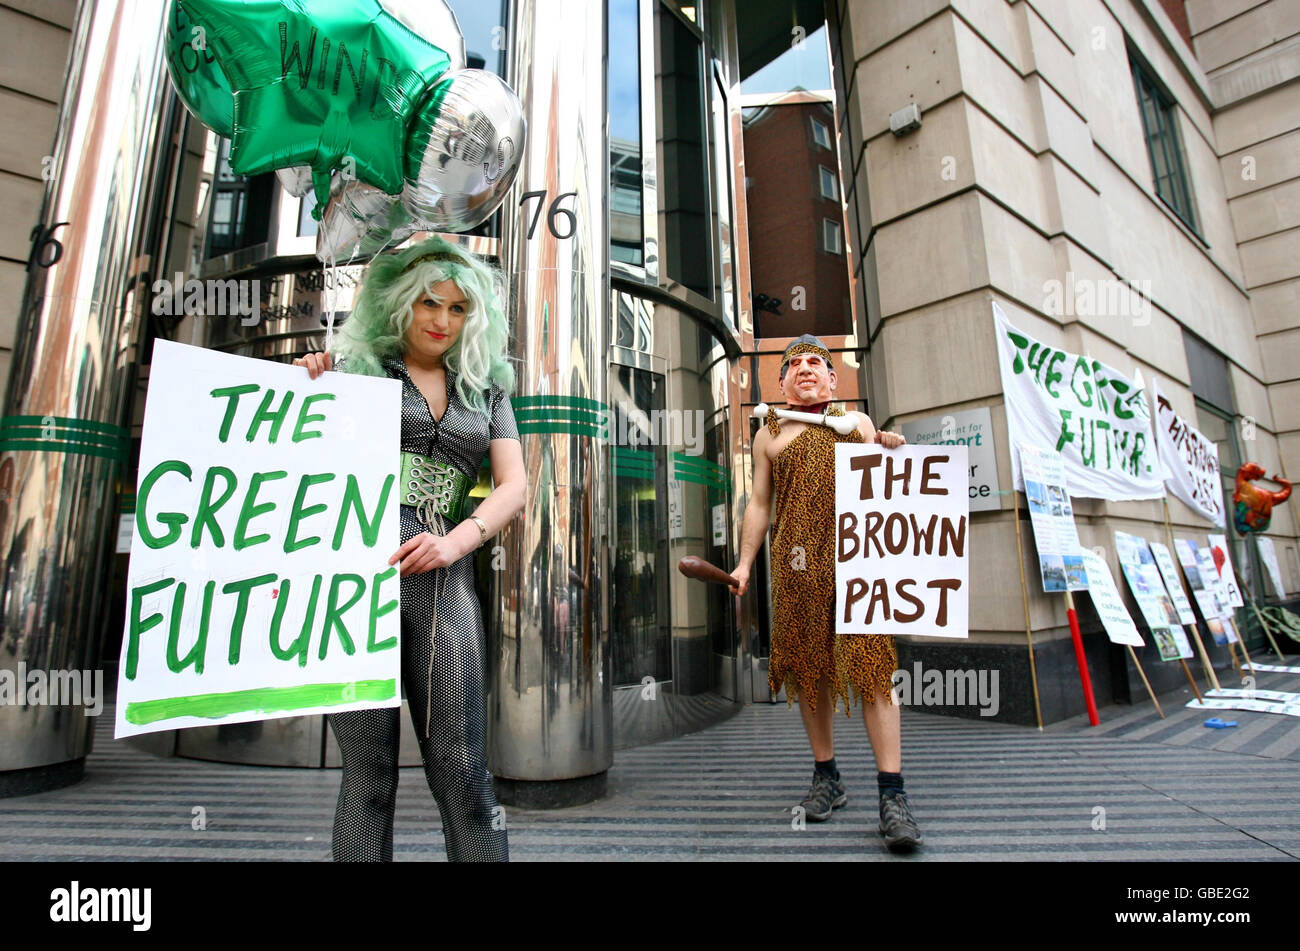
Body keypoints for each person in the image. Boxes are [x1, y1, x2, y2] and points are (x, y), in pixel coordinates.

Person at [294, 235, 526, 862]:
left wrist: (458, 541)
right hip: (354, 578)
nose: (443, 321)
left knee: (465, 773)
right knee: (368, 777)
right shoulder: (352, 372)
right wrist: (303, 384)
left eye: (458, 309)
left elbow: (515, 485)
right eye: (430, 303)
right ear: (400, 302)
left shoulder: (486, 389)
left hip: (445, 580)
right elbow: (292, 457)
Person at [729, 334, 922, 853]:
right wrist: (746, 562)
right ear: (782, 381)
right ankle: (827, 776)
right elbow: (759, 503)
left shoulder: (854, 424)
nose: (806, 369)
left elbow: (885, 473)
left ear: (833, 380)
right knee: (810, 672)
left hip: (858, 569)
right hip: (797, 573)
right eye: (795, 364)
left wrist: (891, 445)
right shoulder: (770, 434)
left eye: (817, 363)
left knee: (874, 671)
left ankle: (893, 794)